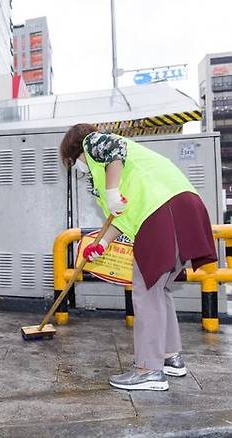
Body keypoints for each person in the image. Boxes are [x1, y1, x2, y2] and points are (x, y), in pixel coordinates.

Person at [59, 123, 217, 391]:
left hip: (161, 211)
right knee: (160, 289)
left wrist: (110, 192)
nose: (78, 169)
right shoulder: (119, 171)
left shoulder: (92, 143)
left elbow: (114, 152)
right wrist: (102, 244)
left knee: (145, 292)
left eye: (73, 163)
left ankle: (148, 370)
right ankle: (170, 358)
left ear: (76, 151)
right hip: (185, 206)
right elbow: (120, 217)